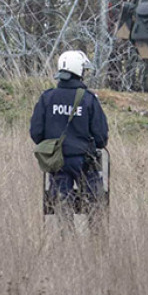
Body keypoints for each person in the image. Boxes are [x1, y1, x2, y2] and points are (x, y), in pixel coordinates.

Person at [30, 50, 109, 220]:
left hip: (56, 161)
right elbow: (101, 137)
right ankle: (98, 242)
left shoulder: (47, 98)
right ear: (79, 71)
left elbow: (36, 133)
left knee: (61, 205)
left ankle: (65, 242)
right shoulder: (88, 99)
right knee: (95, 205)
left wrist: (52, 147)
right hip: (85, 162)